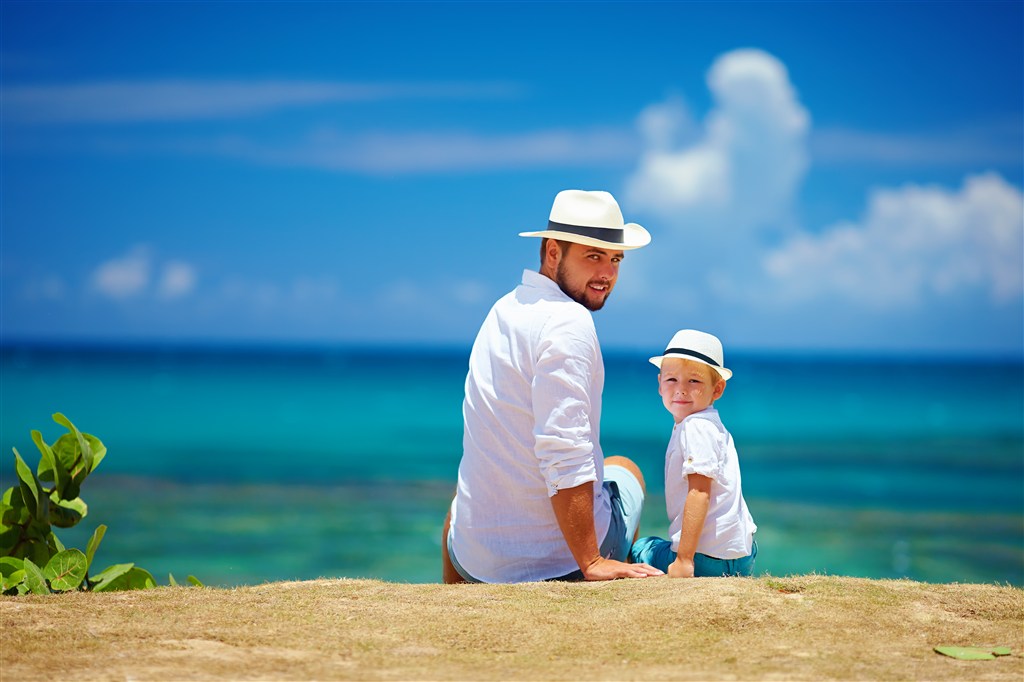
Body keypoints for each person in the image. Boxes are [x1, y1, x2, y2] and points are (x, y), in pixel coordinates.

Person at [442, 189, 663, 583]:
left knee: (464, 495)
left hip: (474, 561)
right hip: (556, 566)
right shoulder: (569, 324)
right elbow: (564, 450)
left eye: (615, 259)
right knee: (625, 468)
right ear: (553, 253)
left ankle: (456, 591)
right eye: (593, 256)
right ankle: (600, 564)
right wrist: (591, 561)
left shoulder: (502, 309)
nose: (607, 274)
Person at [629, 329, 758, 578]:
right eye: (671, 380)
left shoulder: (695, 426)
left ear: (717, 389)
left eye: (694, 381)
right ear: (660, 384)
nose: (681, 389)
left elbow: (699, 492)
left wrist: (684, 560)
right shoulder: (713, 426)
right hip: (741, 558)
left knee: (642, 548)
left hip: (705, 561)